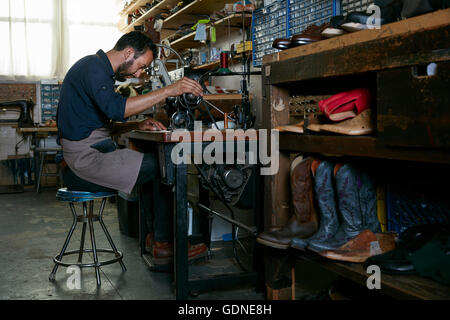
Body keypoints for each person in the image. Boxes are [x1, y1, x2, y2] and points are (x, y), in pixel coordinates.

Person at [57, 31, 206, 265]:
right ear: (128, 53)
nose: (139, 73)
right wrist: (169, 89)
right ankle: (163, 243)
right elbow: (116, 109)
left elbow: (96, 123)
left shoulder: (98, 70)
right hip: (84, 161)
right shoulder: (93, 68)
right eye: (140, 66)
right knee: (165, 166)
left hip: (91, 152)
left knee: (154, 164)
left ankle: (153, 238)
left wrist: (136, 125)